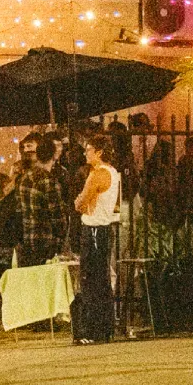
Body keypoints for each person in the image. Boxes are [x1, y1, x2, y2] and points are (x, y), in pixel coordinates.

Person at [71, 133, 122, 344]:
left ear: (99, 152)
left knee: (90, 279)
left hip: (92, 228)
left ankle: (91, 329)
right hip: (104, 228)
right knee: (101, 278)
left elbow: (81, 202)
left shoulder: (97, 174)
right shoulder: (113, 172)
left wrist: (80, 201)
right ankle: (104, 327)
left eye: (88, 150)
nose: (86, 153)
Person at [15, 135, 66, 265]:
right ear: (54, 156)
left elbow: (19, 209)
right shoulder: (49, 181)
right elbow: (57, 216)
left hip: (27, 239)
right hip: (46, 242)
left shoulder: (25, 178)